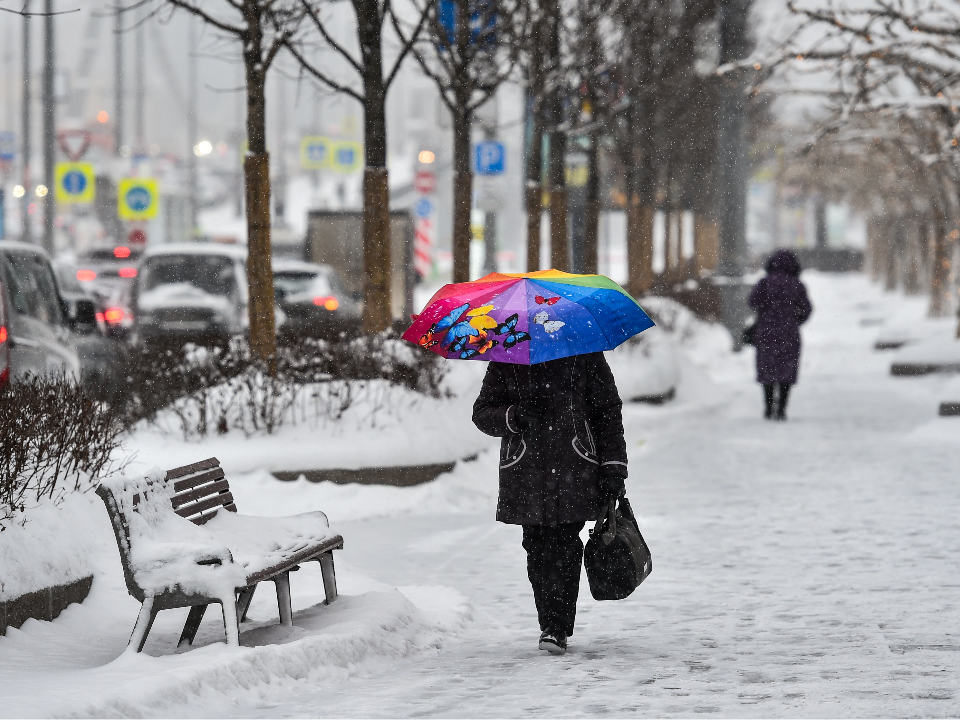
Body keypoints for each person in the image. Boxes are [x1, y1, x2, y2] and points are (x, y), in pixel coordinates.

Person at [472, 353, 628, 655]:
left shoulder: (585, 355)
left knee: (565, 543)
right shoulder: (508, 358)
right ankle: (550, 622)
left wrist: (613, 467)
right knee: (536, 545)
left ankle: (556, 627)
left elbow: (607, 412)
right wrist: (514, 415)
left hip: (575, 465)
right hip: (526, 469)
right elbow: (482, 413)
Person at [748, 249, 813, 421]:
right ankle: (782, 408)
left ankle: (768, 407)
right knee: (786, 371)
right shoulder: (797, 285)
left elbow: (752, 301)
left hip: (766, 332)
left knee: (767, 369)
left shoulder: (764, 283)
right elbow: (806, 309)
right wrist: (795, 320)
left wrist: (767, 312)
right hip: (789, 333)